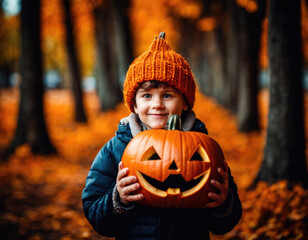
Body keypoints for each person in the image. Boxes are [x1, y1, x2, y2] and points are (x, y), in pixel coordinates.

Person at [82, 32, 242, 240]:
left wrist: (224, 204)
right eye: (147, 95)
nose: (157, 104)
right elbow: (97, 218)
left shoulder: (205, 151)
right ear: (135, 104)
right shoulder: (116, 149)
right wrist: (117, 199)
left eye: (167, 95)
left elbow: (224, 224)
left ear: (184, 102)